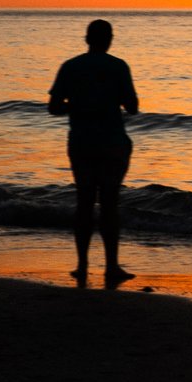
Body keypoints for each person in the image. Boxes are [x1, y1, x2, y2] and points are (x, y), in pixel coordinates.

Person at [49, 18, 140, 285]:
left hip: (81, 142)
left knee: (84, 202)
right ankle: (111, 266)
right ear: (109, 39)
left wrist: (78, 107)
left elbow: (54, 107)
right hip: (112, 141)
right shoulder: (118, 66)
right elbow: (133, 107)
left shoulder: (71, 66)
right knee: (110, 203)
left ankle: (82, 265)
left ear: (87, 39)